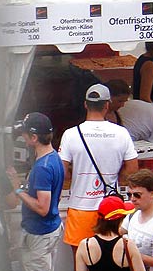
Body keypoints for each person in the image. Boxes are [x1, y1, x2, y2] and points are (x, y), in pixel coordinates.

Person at [10, 113, 64, 271]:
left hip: (40, 232)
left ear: (33, 137)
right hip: (49, 230)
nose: (21, 137)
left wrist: (18, 189)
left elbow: (42, 207)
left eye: (24, 134)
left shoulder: (43, 167)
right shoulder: (53, 158)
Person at [57, 84, 136, 250]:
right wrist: (118, 177)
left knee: (81, 267)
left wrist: (74, 176)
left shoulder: (71, 134)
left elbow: (61, 172)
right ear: (107, 105)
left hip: (80, 207)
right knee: (111, 261)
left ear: (85, 104)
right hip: (111, 207)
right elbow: (132, 169)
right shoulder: (121, 133)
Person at [106, 80, 153, 159]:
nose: (122, 105)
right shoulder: (101, 116)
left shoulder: (116, 114)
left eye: (124, 101)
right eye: (120, 101)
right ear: (108, 98)